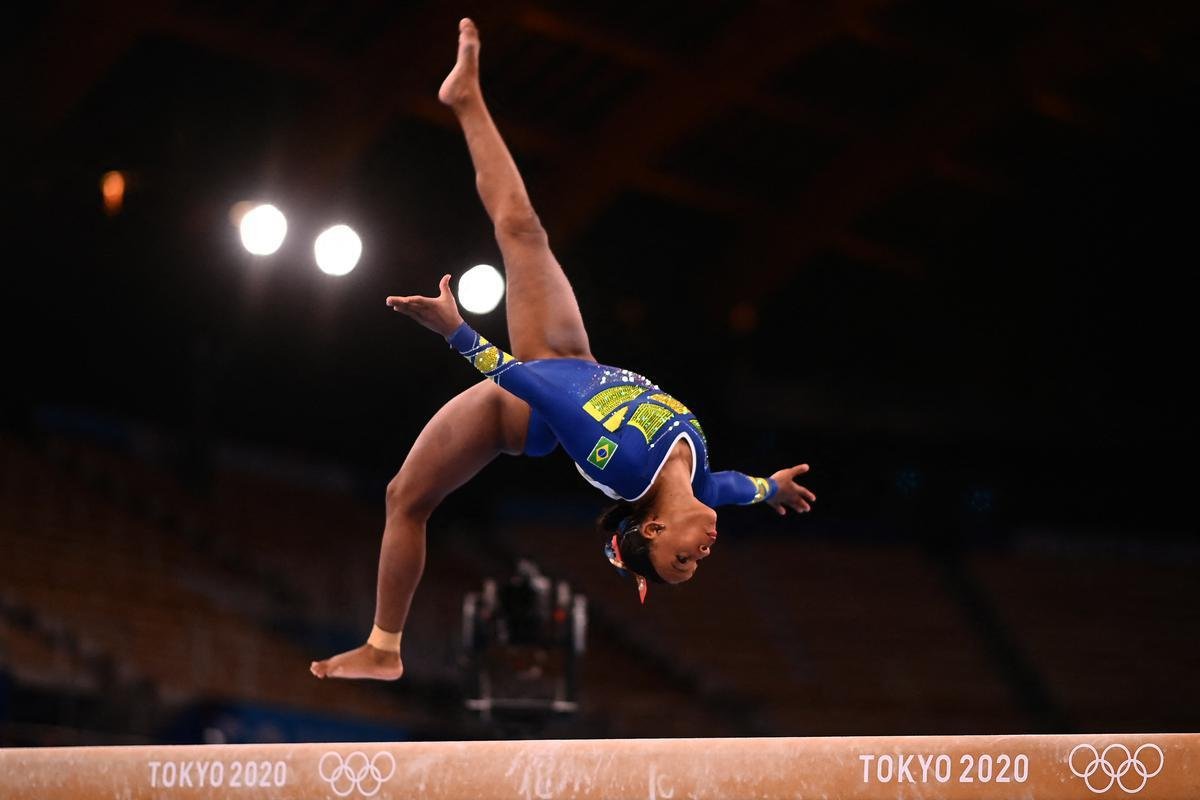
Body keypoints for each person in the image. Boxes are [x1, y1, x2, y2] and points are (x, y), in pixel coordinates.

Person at [310, 18, 816, 681]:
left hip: (527, 401)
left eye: (682, 561)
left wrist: (456, 332)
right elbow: (728, 486)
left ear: (655, 533)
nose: (703, 555)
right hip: (570, 357)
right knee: (523, 228)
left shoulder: (625, 461)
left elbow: (530, 384)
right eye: (694, 565)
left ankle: (382, 648)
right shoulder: (700, 486)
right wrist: (769, 487)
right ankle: (466, 98)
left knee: (405, 496)